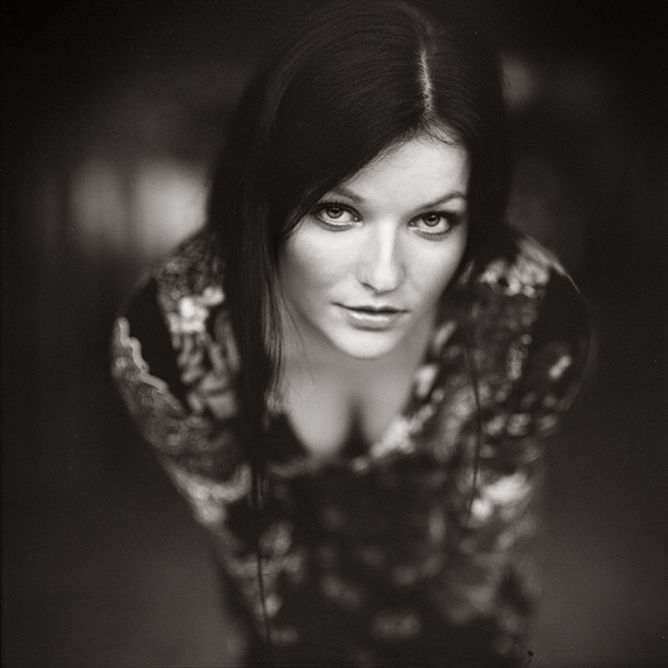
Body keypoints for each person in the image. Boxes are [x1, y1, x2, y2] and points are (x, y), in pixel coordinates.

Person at [111, 1, 590, 666]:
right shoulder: (170, 338)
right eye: (337, 211)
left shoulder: (533, 320)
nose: (385, 275)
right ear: (264, 195)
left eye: (432, 220)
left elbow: (479, 561)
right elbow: (255, 554)